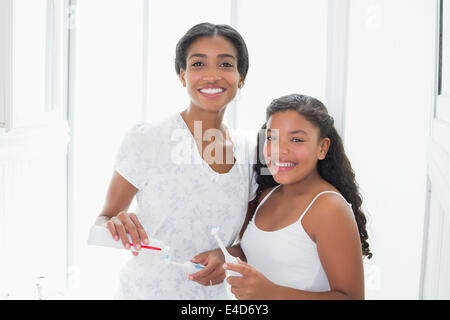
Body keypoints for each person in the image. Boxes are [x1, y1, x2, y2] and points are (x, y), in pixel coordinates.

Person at [94, 22, 258, 299]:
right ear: (182, 76)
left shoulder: (250, 152)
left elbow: (251, 241)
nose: (212, 75)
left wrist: (226, 255)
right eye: (198, 64)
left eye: (226, 64)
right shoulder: (148, 139)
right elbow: (103, 219)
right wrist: (116, 225)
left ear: (241, 78)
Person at [221, 93, 373, 299]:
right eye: (272, 138)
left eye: (296, 139)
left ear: (322, 147)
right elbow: (261, 252)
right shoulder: (267, 195)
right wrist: (221, 257)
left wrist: (272, 293)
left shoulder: (329, 209)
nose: (280, 150)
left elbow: (351, 297)